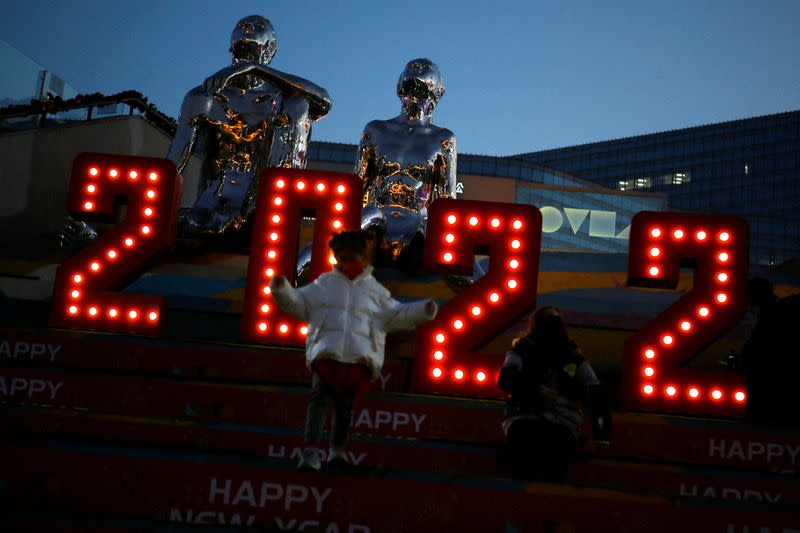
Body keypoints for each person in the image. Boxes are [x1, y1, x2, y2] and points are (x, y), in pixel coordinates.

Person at [270, 230, 437, 471]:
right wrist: (282, 290)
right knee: (320, 400)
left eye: (354, 257)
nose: (350, 263)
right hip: (327, 355)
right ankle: (312, 452)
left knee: (344, 406)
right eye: (344, 257)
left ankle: (336, 451)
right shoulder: (325, 284)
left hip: (356, 359)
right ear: (338, 258)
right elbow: (299, 303)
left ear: (364, 258)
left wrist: (423, 310)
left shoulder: (373, 290)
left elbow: (395, 314)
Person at [498, 306, 612, 481]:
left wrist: (602, 436)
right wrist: (536, 389)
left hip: (557, 424)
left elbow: (594, 392)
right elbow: (506, 379)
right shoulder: (523, 349)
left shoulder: (572, 355)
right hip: (526, 418)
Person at [740, 277, 800, 425]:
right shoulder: (785, 315)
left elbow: (758, 359)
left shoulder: (770, 325)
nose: (748, 309)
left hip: (770, 408)